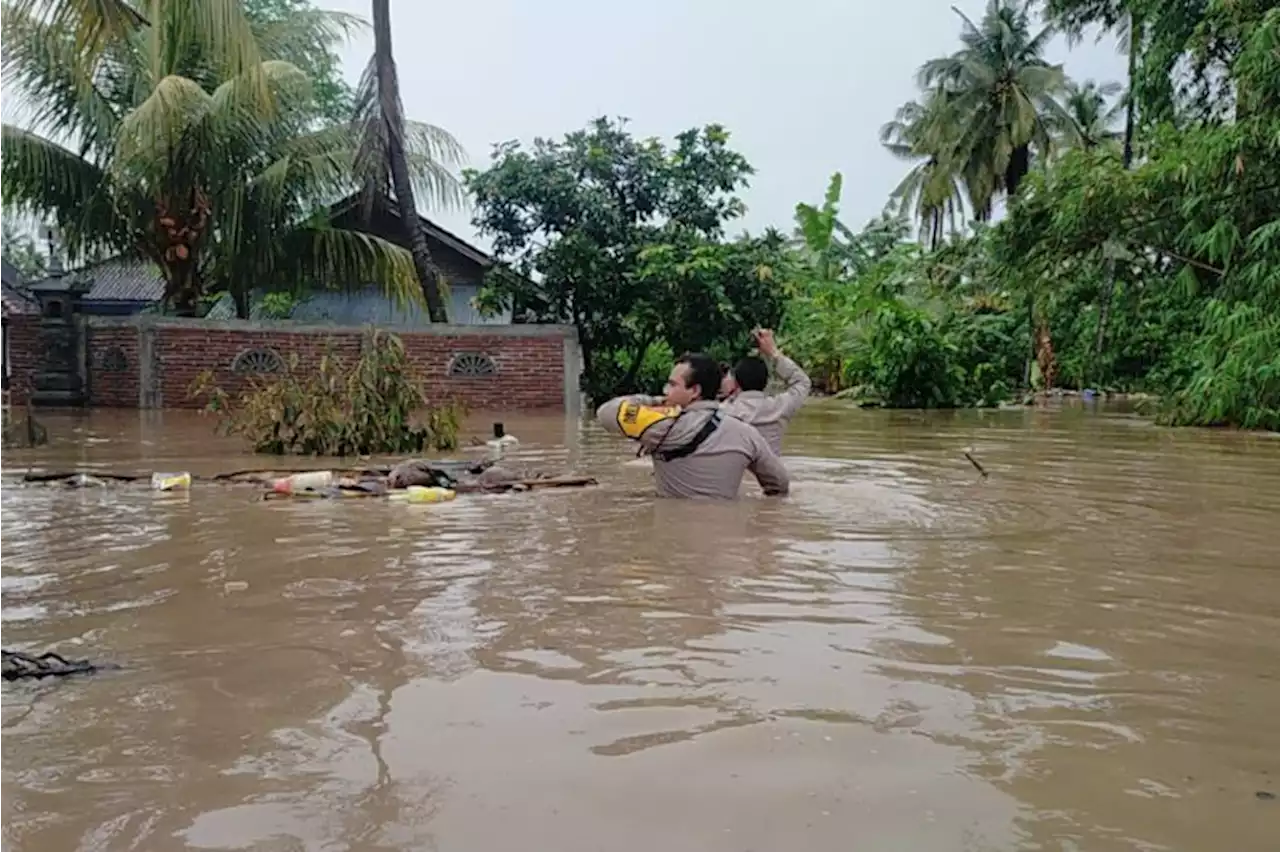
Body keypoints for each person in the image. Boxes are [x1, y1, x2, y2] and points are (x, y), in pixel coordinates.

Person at [596, 352, 790, 499]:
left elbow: (606, 412)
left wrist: (657, 401)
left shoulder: (660, 426)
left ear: (694, 390)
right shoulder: (747, 434)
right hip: (727, 542)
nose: (667, 390)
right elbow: (779, 485)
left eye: (672, 385)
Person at [719, 329, 811, 456]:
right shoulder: (779, 407)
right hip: (770, 473)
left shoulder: (723, 412)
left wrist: (727, 393)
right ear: (766, 382)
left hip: (736, 473)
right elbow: (802, 382)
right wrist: (773, 352)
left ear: (736, 383)